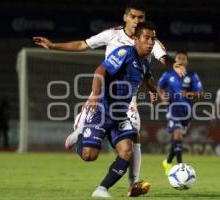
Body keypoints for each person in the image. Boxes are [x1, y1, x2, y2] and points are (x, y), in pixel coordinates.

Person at [33, 1, 185, 195]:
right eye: (134, 17)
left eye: (141, 18)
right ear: (125, 17)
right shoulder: (114, 36)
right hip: (104, 93)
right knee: (91, 153)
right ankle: (82, 129)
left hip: (126, 99)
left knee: (134, 136)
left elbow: (162, 59)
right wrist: (53, 45)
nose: (137, 21)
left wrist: (162, 79)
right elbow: (83, 45)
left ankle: (132, 184)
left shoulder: (150, 40)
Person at [75, 21, 157, 198]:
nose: (151, 42)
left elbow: (148, 78)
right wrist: (95, 95)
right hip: (102, 111)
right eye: (147, 38)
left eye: (153, 39)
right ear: (135, 39)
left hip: (120, 116)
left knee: (127, 150)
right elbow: (100, 70)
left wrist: (154, 92)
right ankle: (80, 131)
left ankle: (101, 189)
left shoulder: (144, 63)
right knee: (89, 156)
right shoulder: (125, 53)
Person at [157, 51, 203, 175]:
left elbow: (200, 94)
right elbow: (160, 87)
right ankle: (180, 167)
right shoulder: (168, 74)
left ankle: (167, 162)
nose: (181, 60)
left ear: (187, 62)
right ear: (175, 61)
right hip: (172, 109)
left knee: (178, 139)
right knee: (177, 135)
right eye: (179, 58)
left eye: (184, 58)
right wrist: (162, 97)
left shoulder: (192, 76)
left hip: (186, 111)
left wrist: (188, 94)